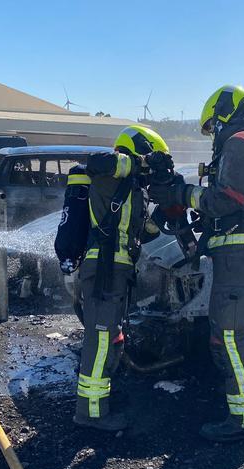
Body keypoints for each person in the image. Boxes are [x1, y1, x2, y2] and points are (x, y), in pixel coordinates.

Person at [150, 85, 244, 442]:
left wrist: (181, 194)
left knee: (229, 334)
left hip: (241, 254)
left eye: (212, 126)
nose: (213, 135)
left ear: (223, 114)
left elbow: (226, 200)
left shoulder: (241, 141)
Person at [73, 125, 171, 431]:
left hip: (118, 270)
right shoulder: (111, 169)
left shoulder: (132, 189)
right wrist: (144, 162)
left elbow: (146, 232)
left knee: (109, 336)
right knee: (100, 339)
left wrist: (169, 211)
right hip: (103, 268)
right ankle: (90, 413)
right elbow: (95, 161)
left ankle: (99, 401)